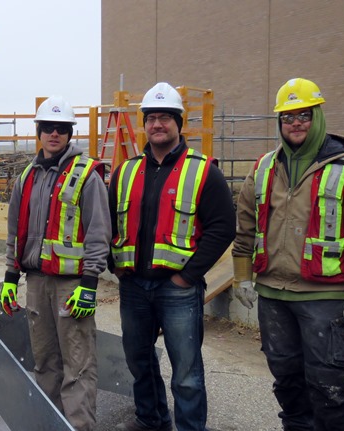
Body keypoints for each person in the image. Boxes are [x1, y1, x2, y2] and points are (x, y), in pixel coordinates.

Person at [232, 77, 344, 430]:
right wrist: (241, 276)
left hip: (324, 297)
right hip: (273, 295)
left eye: (304, 115)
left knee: (328, 387)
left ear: (318, 116)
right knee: (288, 384)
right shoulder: (264, 167)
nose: (295, 123)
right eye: (287, 117)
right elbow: (245, 225)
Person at [109, 82, 235, 431]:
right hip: (134, 286)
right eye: (151, 118)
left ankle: (190, 428)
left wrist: (187, 276)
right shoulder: (126, 171)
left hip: (178, 289)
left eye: (165, 117)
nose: (157, 125)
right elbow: (107, 224)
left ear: (179, 123)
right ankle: (151, 420)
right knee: (139, 361)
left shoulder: (203, 171)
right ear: (144, 124)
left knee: (187, 372)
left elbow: (223, 229)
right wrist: (115, 267)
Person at [0, 96, 111, 430]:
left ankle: (78, 427)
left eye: (61, 128)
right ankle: (47, 424)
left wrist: (90, 284)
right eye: (47, 127)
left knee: (77, 365)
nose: (54, 134)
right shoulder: (27, 178)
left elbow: (98, 232)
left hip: (71, 285)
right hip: (36, 283)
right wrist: (10, 276)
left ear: (69, 132)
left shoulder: (87, 175)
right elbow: (14, 231)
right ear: (38, 131)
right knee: (45, 362)